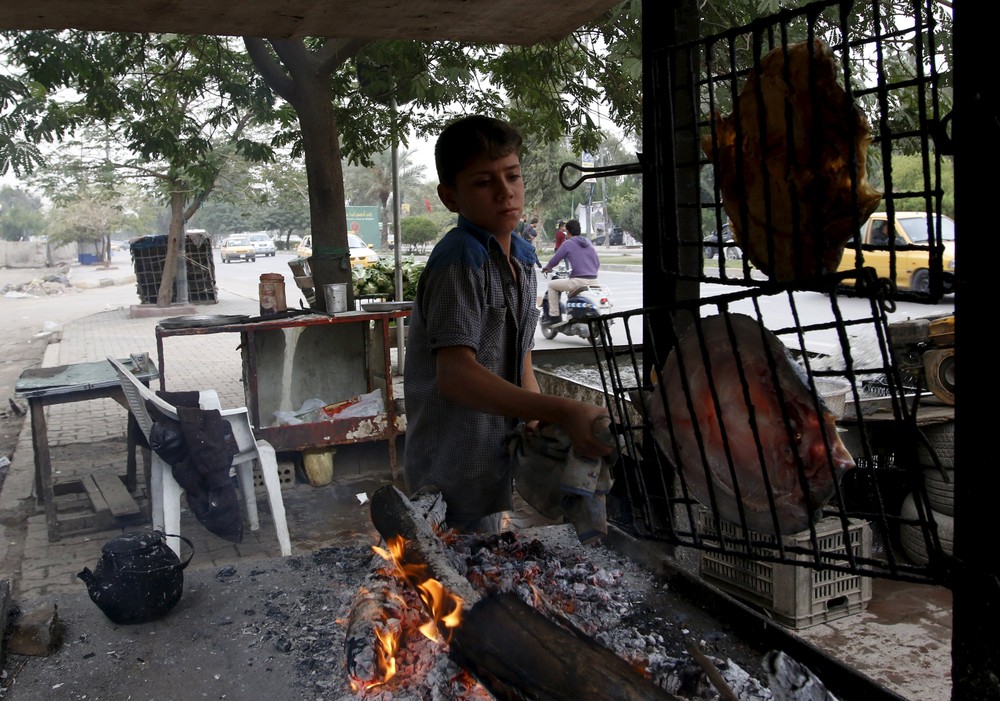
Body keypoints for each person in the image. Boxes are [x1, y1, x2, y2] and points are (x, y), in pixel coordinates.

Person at [403, 115, 612, 534]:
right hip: (450, 471)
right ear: (450, 197)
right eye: (483, 182)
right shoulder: (459, 260)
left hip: (495, 467)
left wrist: (536, 418)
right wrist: (565, 409)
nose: (505, 192)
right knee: (453, 577)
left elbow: (523, 363)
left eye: (512, 176)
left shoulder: (522, 257)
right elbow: (457, 376)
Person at [540, 219, 600, 325]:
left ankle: (554, 316)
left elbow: (555, 259)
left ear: (568, 232)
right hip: (594, 280)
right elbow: (597, 262)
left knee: (552, 285)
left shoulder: (568, 243)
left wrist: (547, 267)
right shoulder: (588, 243)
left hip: (578, 281)